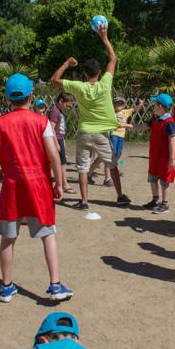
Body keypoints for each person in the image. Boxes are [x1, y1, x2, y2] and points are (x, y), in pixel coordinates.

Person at [0, 73, 73, 303]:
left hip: (12, 185)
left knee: (8, 237)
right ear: (31, 95)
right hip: (38, 185)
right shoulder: (41, 121)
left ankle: (6, 287)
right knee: (48, 234)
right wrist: (59, 182)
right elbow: (53, 154)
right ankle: (55, 285)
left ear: (8, 98)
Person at [50, 25, 131, 210]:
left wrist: (66, 63)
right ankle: (120, 196)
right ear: (99, 73)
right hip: (102, 134)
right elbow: (113, 58)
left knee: (83, 168)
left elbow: (54, 80)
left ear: (85, 74)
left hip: (85, 132)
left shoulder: (79, 87)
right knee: (112, 165)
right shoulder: (105, 83)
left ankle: (85, 201)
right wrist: (104, 37)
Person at [143, 93, 175, 214]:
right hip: (154, 155)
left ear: (160, 106)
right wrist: (125, 125)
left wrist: (172, 159)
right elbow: (142, 126)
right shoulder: (154, 118)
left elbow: (172, 140)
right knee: (153, 177)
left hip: (165, 157)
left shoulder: (169, 122)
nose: (153, 107)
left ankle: (165, 204)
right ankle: (155, 200)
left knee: (164, 180)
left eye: (154, 105)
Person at [91, 97, 134, 187]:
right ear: (113, 105)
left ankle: (88, 173)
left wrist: (140, 105)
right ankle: (107, 178)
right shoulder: (110, 113)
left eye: (121, 103)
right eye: (117, 103)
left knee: (113, 156)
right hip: (112, 135)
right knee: (109, 157)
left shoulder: (124, 112)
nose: (119, 105)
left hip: (120, 137)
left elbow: (134, 110)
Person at [49, 92, 76, 195]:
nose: (68, 107)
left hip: (60, 139)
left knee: (60, 163)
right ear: (61, 101)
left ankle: (60, 184)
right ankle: (64, 184)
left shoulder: (59, 111)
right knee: (61, 163)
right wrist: (56, 143)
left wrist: (62, 141)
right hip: (56, 140)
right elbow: (52, 129)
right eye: (67, 104)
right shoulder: (55, 111)